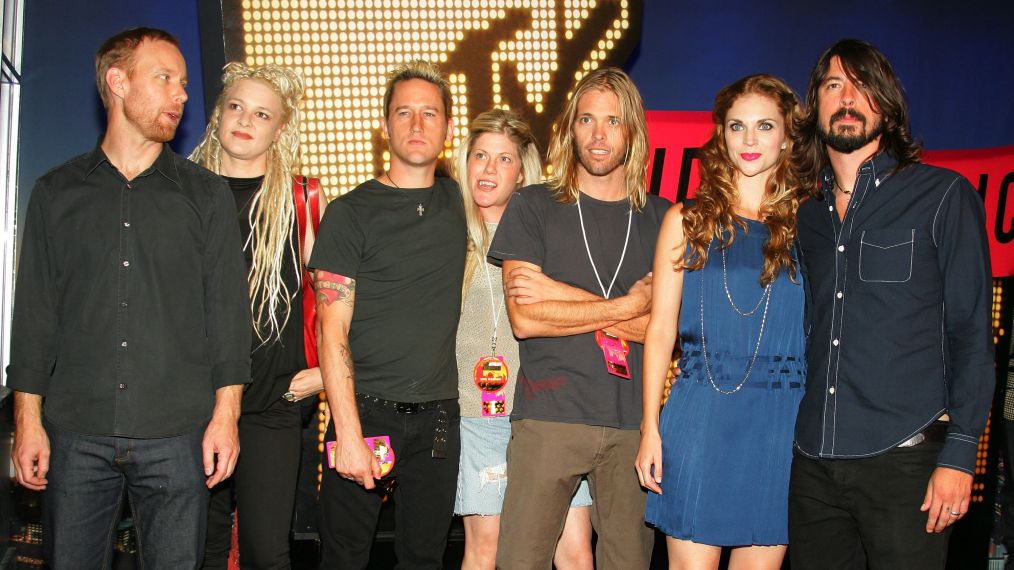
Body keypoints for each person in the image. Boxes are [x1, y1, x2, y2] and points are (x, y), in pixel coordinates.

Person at [7, 27, 250, 568]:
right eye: (165, 79)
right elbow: (35, 320)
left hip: (178, 434)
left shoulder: (206, 195)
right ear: (117, 82)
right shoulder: (55, 194)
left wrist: (226, 416)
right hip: (76, 432)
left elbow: (228, 318)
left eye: (184, 83)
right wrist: (28, 421)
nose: (181, 95)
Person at [790, 39, 994, 569]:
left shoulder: (943, 196)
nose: (847, 97)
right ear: (816, 106)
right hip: (812, 465)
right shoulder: (804, 218)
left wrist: (960, 453)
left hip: (906, 462)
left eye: (861, 85)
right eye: (834, 85)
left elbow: (973, 334)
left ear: (887, 103)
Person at [488, 67, 668, 569]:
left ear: (632, 131)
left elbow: (668, 335)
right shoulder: (534, 204)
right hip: (549, 415)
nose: (598, 134)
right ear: (570, 127)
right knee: (519, 561)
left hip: (634, 423)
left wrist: (561, 299)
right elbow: (525, 318)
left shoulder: (663, 217)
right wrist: (633, 306)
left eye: (612, 121)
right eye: (586, 119)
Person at [635, 74, 805, 570]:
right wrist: (650, 428)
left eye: (764, 126)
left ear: (787, 137)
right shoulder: (685, 221)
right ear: (721, 135)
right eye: (737, 126)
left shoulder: (812, 226)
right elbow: (661, 330)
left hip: (779, 428)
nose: (749, 140)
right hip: (701, 420)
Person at [309, 60, 466, 568]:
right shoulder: (350, 213)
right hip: (366, 411)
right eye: (404, 113)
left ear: (447, 127)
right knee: (343, 558)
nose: (417, 125)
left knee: (424, 559)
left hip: (441, 418)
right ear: (384, 126)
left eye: (430, 113)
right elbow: (330, 326)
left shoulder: (462, 202)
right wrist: (348, 433)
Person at [190, 62, 324, 569]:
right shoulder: (182, 194)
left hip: (273, 404)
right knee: (197, 550)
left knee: (268, 553)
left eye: (261, 113)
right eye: (235, 107)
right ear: (217, 116)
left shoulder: (303, 199)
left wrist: (321, 376)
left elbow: (336, 302)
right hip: (190, 404)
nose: (245, 120)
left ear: (279, 127)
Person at [452, 108, 594, 570]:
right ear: (465, 161)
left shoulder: (551, 232)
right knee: (486, 549)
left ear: (523, 171)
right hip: (477, 415)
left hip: (549, 413)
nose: (489, 169)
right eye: (480, 156)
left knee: (573, 552)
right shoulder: (445, 232)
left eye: (504, 159)